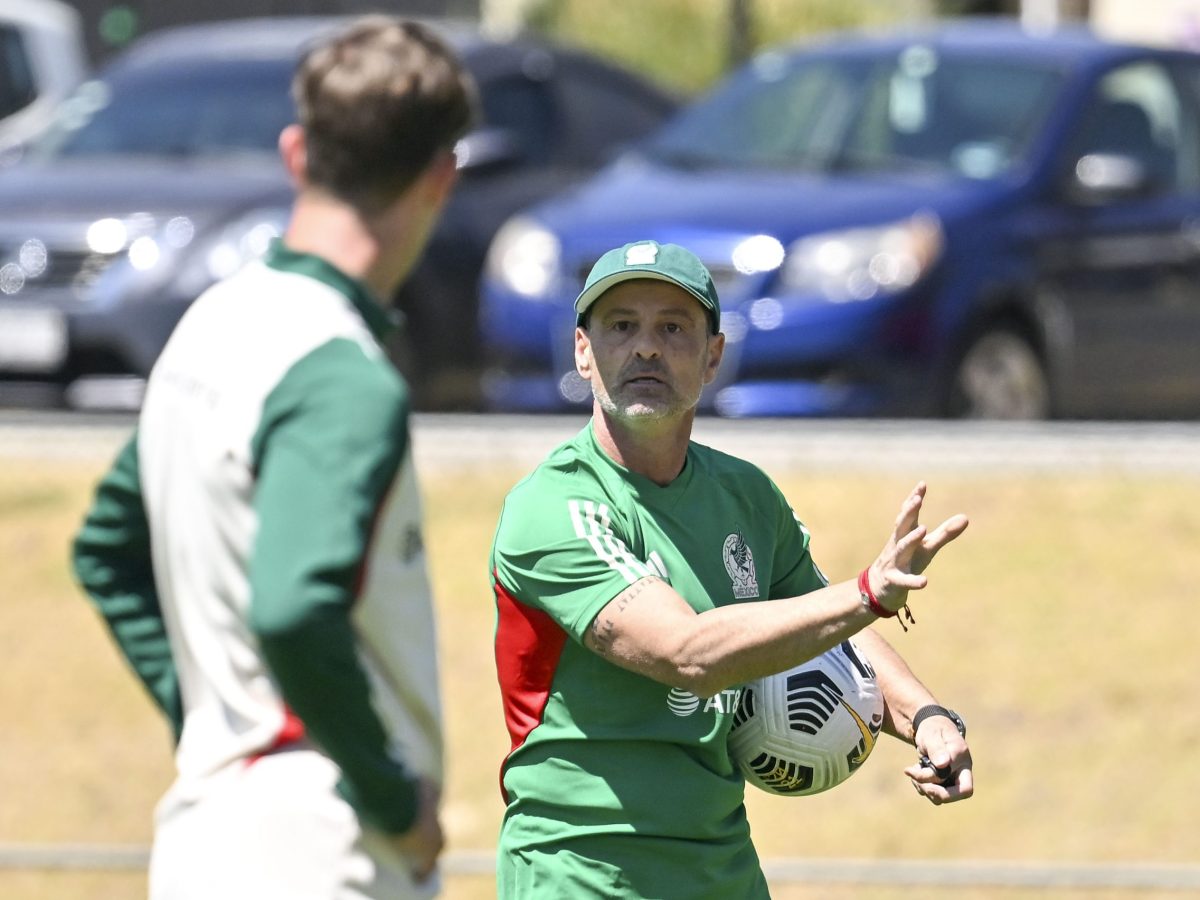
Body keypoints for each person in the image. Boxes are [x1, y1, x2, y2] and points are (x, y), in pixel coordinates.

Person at [71, 16, 477, 899]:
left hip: (201, 839)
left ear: (297, 154)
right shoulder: (343, 376)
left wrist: (214, 719)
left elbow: (104, 552)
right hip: (323, 847)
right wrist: (392, 798)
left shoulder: (207, 326)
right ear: (441, 179)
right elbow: (294, 608)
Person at [489, 239, 974, 898]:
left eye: (673, 328)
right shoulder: (553, 506)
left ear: (713, 356)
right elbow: (688, 654)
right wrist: (865, 593)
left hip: (722, 872)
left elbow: (833, 627)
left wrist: (928, 718)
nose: (647, 348)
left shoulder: (745, 496)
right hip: (582, 874)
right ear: (584, 349)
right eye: (621, 326)